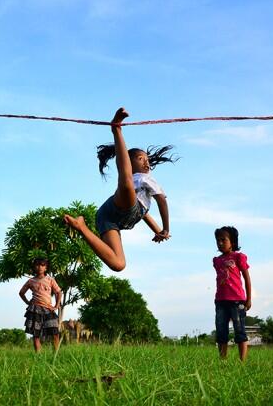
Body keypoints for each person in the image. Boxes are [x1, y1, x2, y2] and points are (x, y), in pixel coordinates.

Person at [64, 107, 174, 271]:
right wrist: (166, 228)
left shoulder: (143, 188)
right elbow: (162, 201)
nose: (146, 162)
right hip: (119, 208)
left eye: (147, 159)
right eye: (140, 158)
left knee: (118, 264)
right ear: (129, 161)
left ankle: (81, 227)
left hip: (108, 218)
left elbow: (144, 214)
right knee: (126, 181)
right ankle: (116, 129)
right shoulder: (144, 179)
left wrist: (159, 231)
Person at [213, 226, 251, 361]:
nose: (220, 243)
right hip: (221, 301)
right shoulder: (217, 260)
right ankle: (223, 360)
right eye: (218, 240)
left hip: (237, 300)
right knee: (221, 331)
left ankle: (243, 361)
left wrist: (248, 299)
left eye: (224, 240)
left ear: (233, 242)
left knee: (239, 330)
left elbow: (246, 277)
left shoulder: (238, 257)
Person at [19, 258, 62, 352]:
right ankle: (38, 356)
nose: (40, 267)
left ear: (46, 268)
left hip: (48, 309)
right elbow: (21, 293)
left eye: (42, 265)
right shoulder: (31, 281)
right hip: (35, 309)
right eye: (37, 265)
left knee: (55, 333)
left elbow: (58, 292)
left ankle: (56, 355)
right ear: (34, 267)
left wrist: (57, 305)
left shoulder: (50, 280)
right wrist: (27, 302)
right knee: (36, 334)